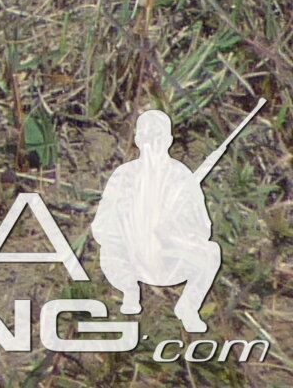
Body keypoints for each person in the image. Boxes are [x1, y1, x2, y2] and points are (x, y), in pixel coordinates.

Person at [90, 112, 223, 333]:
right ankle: (130, 292)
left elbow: (202, 227)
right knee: (109, 251)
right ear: (138, 139)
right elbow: (102, 225)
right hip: (129, 260)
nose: (153, 143)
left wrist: (175, 231)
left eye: (158, 137)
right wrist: (129, 236)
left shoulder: (181, 175)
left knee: (210, 252)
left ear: (169, 140)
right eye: (148, 137)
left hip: (171, 257)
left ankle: (188, 307)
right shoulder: (124, 175)